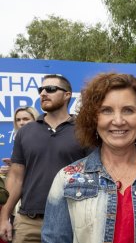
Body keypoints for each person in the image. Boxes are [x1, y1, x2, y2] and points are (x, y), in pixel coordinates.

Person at [41, 73, 136, 243]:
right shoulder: (67, 179)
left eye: (128, 110)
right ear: (93, 118)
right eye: (106, 110)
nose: (118, 121)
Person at [0, 74, 89, 243]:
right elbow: (16, 177)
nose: (43, 93)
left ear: (67, 95)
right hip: (28, 221)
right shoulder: (26, 131)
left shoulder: (84, 131)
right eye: (41, 89)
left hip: (71, 220)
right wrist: (4, 217)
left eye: (51, 89)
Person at [1, 106, 39, 178]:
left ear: (35, 120)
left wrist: (13, 170)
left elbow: (41, 168)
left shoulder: (43, 139)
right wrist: (14, 165)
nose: (21, 123)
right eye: (18, 120)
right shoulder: (19, 141)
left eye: (26, 119)